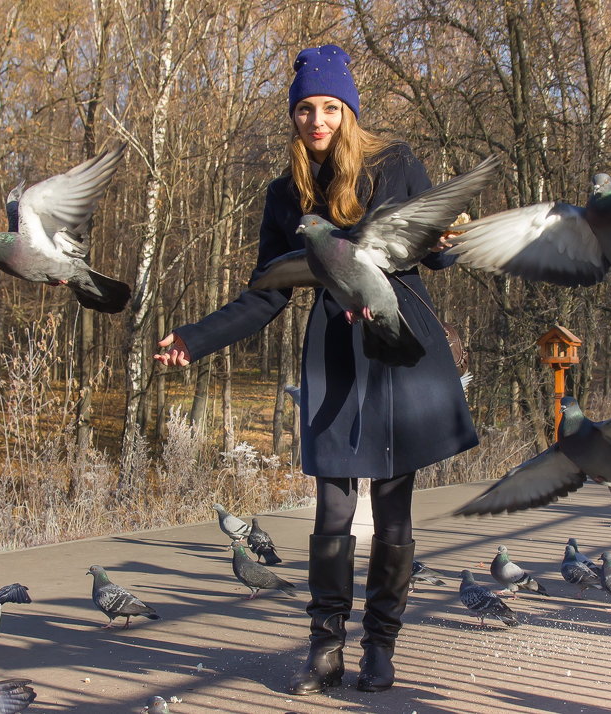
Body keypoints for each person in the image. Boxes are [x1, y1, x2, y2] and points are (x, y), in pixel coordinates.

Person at [154, 45, 476, 695]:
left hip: (398, 345)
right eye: (306, 108)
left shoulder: (395, 164)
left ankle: (381, 646)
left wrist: (447, 239)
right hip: (335, 353)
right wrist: (194, 338)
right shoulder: (285, 195)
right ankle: (325, 647)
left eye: (331, 106)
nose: (318, 119)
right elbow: (266, 293)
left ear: (348, 111)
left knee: (393, 513)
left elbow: (435, 256)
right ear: (294, 117)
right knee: (332, 512)